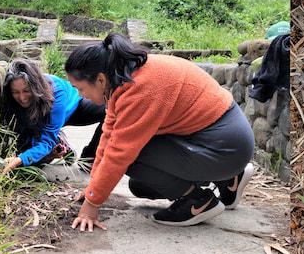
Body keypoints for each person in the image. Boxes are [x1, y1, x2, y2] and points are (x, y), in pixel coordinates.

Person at [65, 34, 255, 231]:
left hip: (226, 147)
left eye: (80, 89)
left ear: (100, 80)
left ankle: (198, 202)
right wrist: (93, 189)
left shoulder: (139, 89)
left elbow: (119, 153)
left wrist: (91, 206)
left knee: (132, 157)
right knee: (140, 186)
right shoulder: (123, 80)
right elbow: (108, 133)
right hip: (217, 139)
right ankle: (228, 179)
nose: (81, 96)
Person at [0, 59, 104, 173]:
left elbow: (45, 142)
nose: (22, 98)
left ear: (35, 87)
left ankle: (89, 158)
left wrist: (20, 159)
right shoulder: (11, 100)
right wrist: (21, 157)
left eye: (26, 91)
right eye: (16, 92)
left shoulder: (57, 92)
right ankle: (60, 143)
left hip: (73, 109)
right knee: (29, 164)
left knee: (109, 110)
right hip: (41, 118)